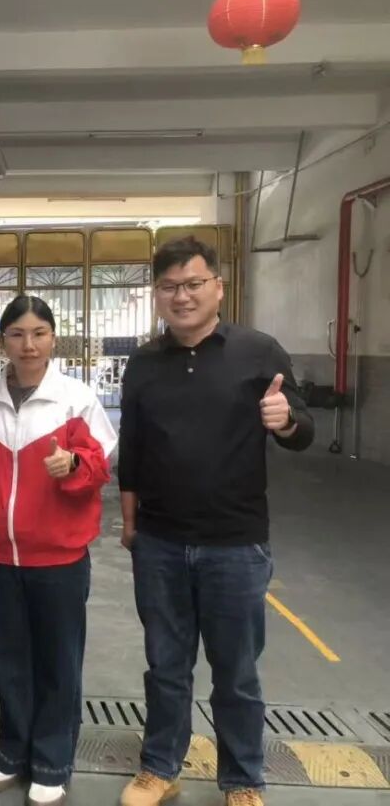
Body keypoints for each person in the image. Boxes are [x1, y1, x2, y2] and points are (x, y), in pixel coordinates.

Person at [117, 237, 314, 806]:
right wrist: (130, 526)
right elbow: (133, 451)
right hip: (159, 541)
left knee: (236, 672)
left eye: (193, 284)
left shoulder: (258, 352)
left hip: (235, 545)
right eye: (169, 287)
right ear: (157, 295)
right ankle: (160, 769)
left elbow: (303, 431)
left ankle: (243, 780)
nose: (182, 296)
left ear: (218, 288)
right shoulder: (144, 363)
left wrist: (284, 420)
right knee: (166, 666)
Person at [0, 295, 116, 806]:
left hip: (59, 558)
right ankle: (12, 752)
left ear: (53, 339)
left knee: (57, 661)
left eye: (39, 333)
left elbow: (100, 464)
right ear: (2, 341)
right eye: (17, 334)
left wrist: (73, 465)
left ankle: (52, 762)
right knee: (8, 659)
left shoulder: (75, 399)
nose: (28, 345)